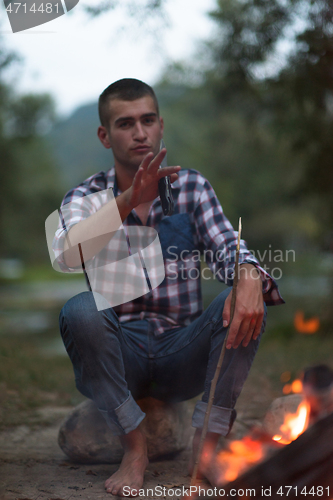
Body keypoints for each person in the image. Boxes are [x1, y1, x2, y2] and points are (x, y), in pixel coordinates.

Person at [52, 78, 283, 496]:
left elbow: (228, 245)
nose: (139, 133)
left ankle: (205, 449)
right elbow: (68, 254)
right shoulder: (85, 196)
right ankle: (135, 449)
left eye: (147, 120)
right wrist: (124, 202)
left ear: (161, 126)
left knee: (248, 294)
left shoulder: (191, 187)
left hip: (181, 353)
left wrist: (248, 273)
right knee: (80, 309)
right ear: (105, 135)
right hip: (119, 355)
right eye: (125, 124)